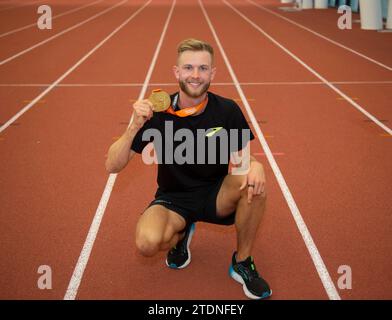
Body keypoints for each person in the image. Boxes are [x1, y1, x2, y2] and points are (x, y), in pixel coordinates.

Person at [105, 38, 272, 300]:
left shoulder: (227, 110)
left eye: (203, 68)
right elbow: (112, 165)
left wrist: (256, 164)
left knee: (254, 184)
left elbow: (242, 162)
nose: (195, 75)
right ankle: (181, 232)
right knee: (146, 244)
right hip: (173, 198)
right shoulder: (157, 112)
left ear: (212, 73)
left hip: (216, 194)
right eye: (189, 68)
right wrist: (134, 126)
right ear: (177, 72)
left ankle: (242, 261)